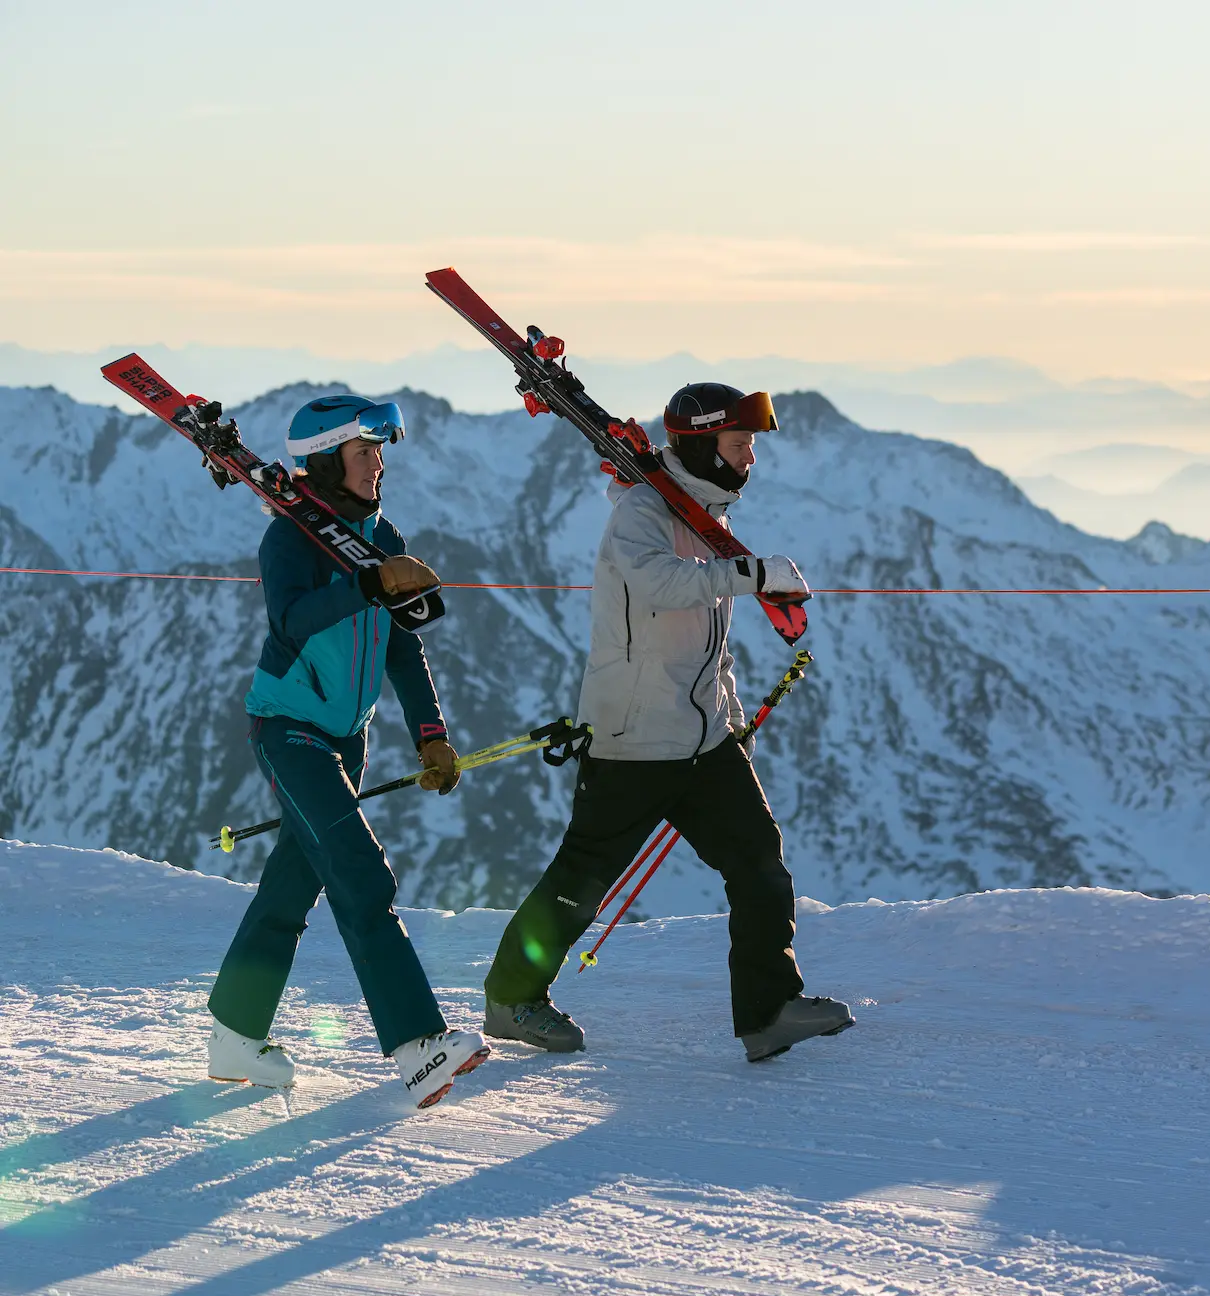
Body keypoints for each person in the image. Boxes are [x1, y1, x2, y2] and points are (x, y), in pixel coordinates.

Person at [481, 383, 853, 1062]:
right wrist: (753, 571)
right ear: (701, 444)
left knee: (757, 860)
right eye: (739, 445)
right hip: (634, 737)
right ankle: (511, 999)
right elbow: (660, 585)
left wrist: (730, 711)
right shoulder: (644, 513)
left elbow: (707, 634)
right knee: (583, 879)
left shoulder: (704, 516)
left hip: (702, 737)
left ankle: (769, 1011)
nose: (749, 460)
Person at [205, 394, 489, 1109]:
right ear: (330, 462)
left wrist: (431, 732)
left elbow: (400, 639)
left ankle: (235, 1033)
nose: (379, 462)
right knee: (361, 873)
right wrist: (366, 582)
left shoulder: (379, 533)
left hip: (345, 737)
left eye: (379, 450)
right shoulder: (289, 541)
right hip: (287, 728)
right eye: (366, 452)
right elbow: (293, 621)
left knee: (293, 886)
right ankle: (418, 1045)